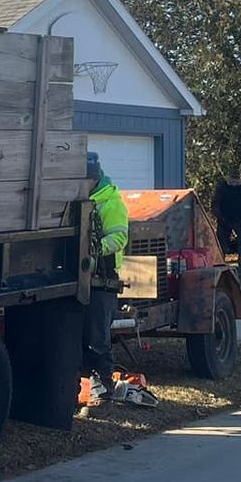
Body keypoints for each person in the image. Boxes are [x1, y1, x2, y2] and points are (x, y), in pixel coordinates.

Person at [82, 151, 129, 407]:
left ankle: (103, 391)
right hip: (82, 277)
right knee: (78, 337)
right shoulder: (81, 198)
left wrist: (93, 249)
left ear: (94, 178)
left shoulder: (111, 202)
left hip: (103, 281)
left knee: (98, 338)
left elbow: (119, 238)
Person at [215, 173, 241, 269]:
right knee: (221, 243)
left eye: (236, 180)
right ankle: (220, 263)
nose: (234, 182)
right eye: (232, 180)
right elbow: (216, 204)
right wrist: (220, 218)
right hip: (224, 219)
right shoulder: (222, 188)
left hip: (239, 219)